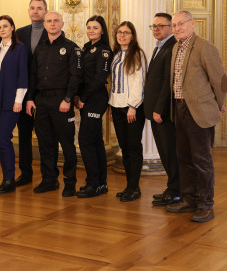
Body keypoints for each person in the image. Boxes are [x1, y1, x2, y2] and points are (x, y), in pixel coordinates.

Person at [166, 10, 227, 223]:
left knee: (201, 160)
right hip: (180, 109)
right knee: (184, 158)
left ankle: (205, 204)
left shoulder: (205, 47)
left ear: (192, 24)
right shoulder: (176, 48)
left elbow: (220, 81)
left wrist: (218, 105)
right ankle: (189, 199)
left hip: (200, 112)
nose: (177, 28)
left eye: (181, 24)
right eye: (174, 25)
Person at [26, 11, 81, 197]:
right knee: (45, 144)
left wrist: (67, 100)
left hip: (62, 102)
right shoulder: (40, 48)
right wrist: (31, 98)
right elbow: (33, 75)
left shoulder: (71, 48)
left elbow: (75, 77)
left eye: (55, 21)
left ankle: (70, 182)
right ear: (45, 24)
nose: (52, 24)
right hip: (41, 101)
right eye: (49, 21)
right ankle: (49, 180)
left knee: (66, 144)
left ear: (62, 24)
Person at [144, 13, 180, 206]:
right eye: (154, 26)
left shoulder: (172, 46)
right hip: (155, 110)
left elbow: (168, 82)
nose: (156, 29)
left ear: (171, 27)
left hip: (163, 112)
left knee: (170, 152)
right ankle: (172, 187)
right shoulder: (160, 47)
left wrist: (159, 108)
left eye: (160, 26)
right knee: (165, 152)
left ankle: (176, 190)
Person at [108, 21, 147, 202]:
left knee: (133, 148)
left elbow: (140, 82)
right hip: (116, 107)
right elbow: (113, 84)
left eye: (126, 32)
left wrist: (133, 106)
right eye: (119, 32)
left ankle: (134, 187)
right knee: (124, 148)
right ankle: (128, 186)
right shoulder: (115, 55)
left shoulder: (137, 54)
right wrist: (110, 106)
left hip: (132, 109)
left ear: (133, 36)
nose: (122, 35)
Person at [0, 15, 28, 194]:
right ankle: (6, 177)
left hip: (11, 100)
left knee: (4, 138)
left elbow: (22, 75)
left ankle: (9, 179)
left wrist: (18, 100)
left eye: (5, 26)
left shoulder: (19, 48)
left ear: (12, 27)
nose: (2, 29)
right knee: (0, 140)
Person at [75, 16, 113, 198]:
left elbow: (100, 79)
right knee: (96, 141)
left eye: (95, 28)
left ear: (102, 30)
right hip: (87, 99)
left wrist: (83, 97)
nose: (91, 30)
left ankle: (93, 183)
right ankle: (101, 184)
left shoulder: (104, 50)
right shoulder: (87, 48)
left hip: (95, 100)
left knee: (86, 140)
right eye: (89, 27)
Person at [14, 0, 48, 187]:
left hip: (43, 93)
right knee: (24, 134)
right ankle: (25, 173)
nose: (36, 11)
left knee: (44, 135)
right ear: (28, 11)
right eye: (33, 8)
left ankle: (47, 174)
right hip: (24, 92)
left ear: (45, 11)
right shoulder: (19, 33)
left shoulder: (52, 31)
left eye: (39, 8)